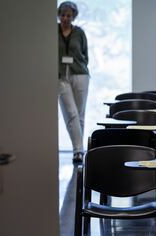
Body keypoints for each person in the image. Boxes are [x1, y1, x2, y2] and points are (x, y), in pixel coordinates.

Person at [58, 1, 90, 163]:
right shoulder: (53, 31)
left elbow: (85, 55)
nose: (65, 18)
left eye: (68, 15)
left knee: (80, 114)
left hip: (80, 74)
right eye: (63, 14)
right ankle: (79, 149)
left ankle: (78, 151)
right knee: (71, 113)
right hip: (59, 76)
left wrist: (79, 65)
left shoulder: (79, 33)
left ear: (73, 16)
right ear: (59, 15)